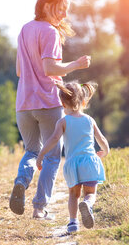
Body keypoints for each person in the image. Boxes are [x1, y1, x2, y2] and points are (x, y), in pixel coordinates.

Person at [9, 0, 91, 219]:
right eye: (61, 9)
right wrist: (76, 64)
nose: (64, 15)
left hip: (23, 103)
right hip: (47, 101)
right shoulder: (51, 33)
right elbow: (49, 69)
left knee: (32, 150)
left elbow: (18, 70)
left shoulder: (25, 30)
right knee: (54, 155)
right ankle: (39, 207)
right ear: (47, 6)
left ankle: (21, 182)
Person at [36, 81, 109, 233]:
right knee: (90, 193)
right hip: (89, 161)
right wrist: (105, 150)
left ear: (62, 103)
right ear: (83, 101)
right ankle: (88, 205)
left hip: (72, 164)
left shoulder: (62, 122)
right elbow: (101, 138)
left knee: (73, 195)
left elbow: (54, 139)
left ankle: (73, 223)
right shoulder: (89, 120)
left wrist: (41, 154)